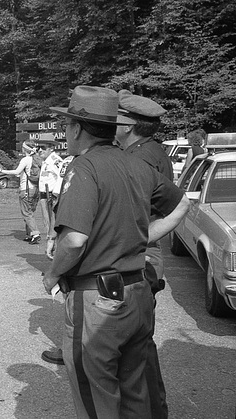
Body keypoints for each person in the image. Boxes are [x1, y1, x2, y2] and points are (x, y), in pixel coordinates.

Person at [41, 86, 189, 418]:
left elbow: (75, 239)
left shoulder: (83, 167)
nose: (65, 132)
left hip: (98, 302)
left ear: (77, 128)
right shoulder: (136, 164)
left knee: (97, 402)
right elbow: (182, 205)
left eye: (66, 125)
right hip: (137, 294)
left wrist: (51, 274)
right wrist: (142, 238)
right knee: (136, 396)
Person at [116, 89, 172, 419]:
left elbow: (135, 213)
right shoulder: (152, 150)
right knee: (139, 341)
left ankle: (151, 410)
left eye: (117, 117)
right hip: (147, 246)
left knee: (138, 343)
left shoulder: (139, 159)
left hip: (141, 249)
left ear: (129, 124)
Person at [0, 142, 41, 244]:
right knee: (30, 212)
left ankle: (35, 233)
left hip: (26, 189)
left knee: (26, 213)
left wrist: (2, 171)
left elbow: (16, 171)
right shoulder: (37, 159)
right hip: (36, 189)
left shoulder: (25, 160)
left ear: (25, 149)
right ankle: (30, 235)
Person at [36, 141, 63, 260]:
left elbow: (62, 177)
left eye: (43, 147)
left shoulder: (55, 160)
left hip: (51, 197)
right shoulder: (46, 161)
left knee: (54, 229)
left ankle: (56, 258)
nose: (39, 150)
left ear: (51, 148)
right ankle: (52, 258)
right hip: (44, 197)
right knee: (48, 228)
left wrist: (56, 196)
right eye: (38, 148)